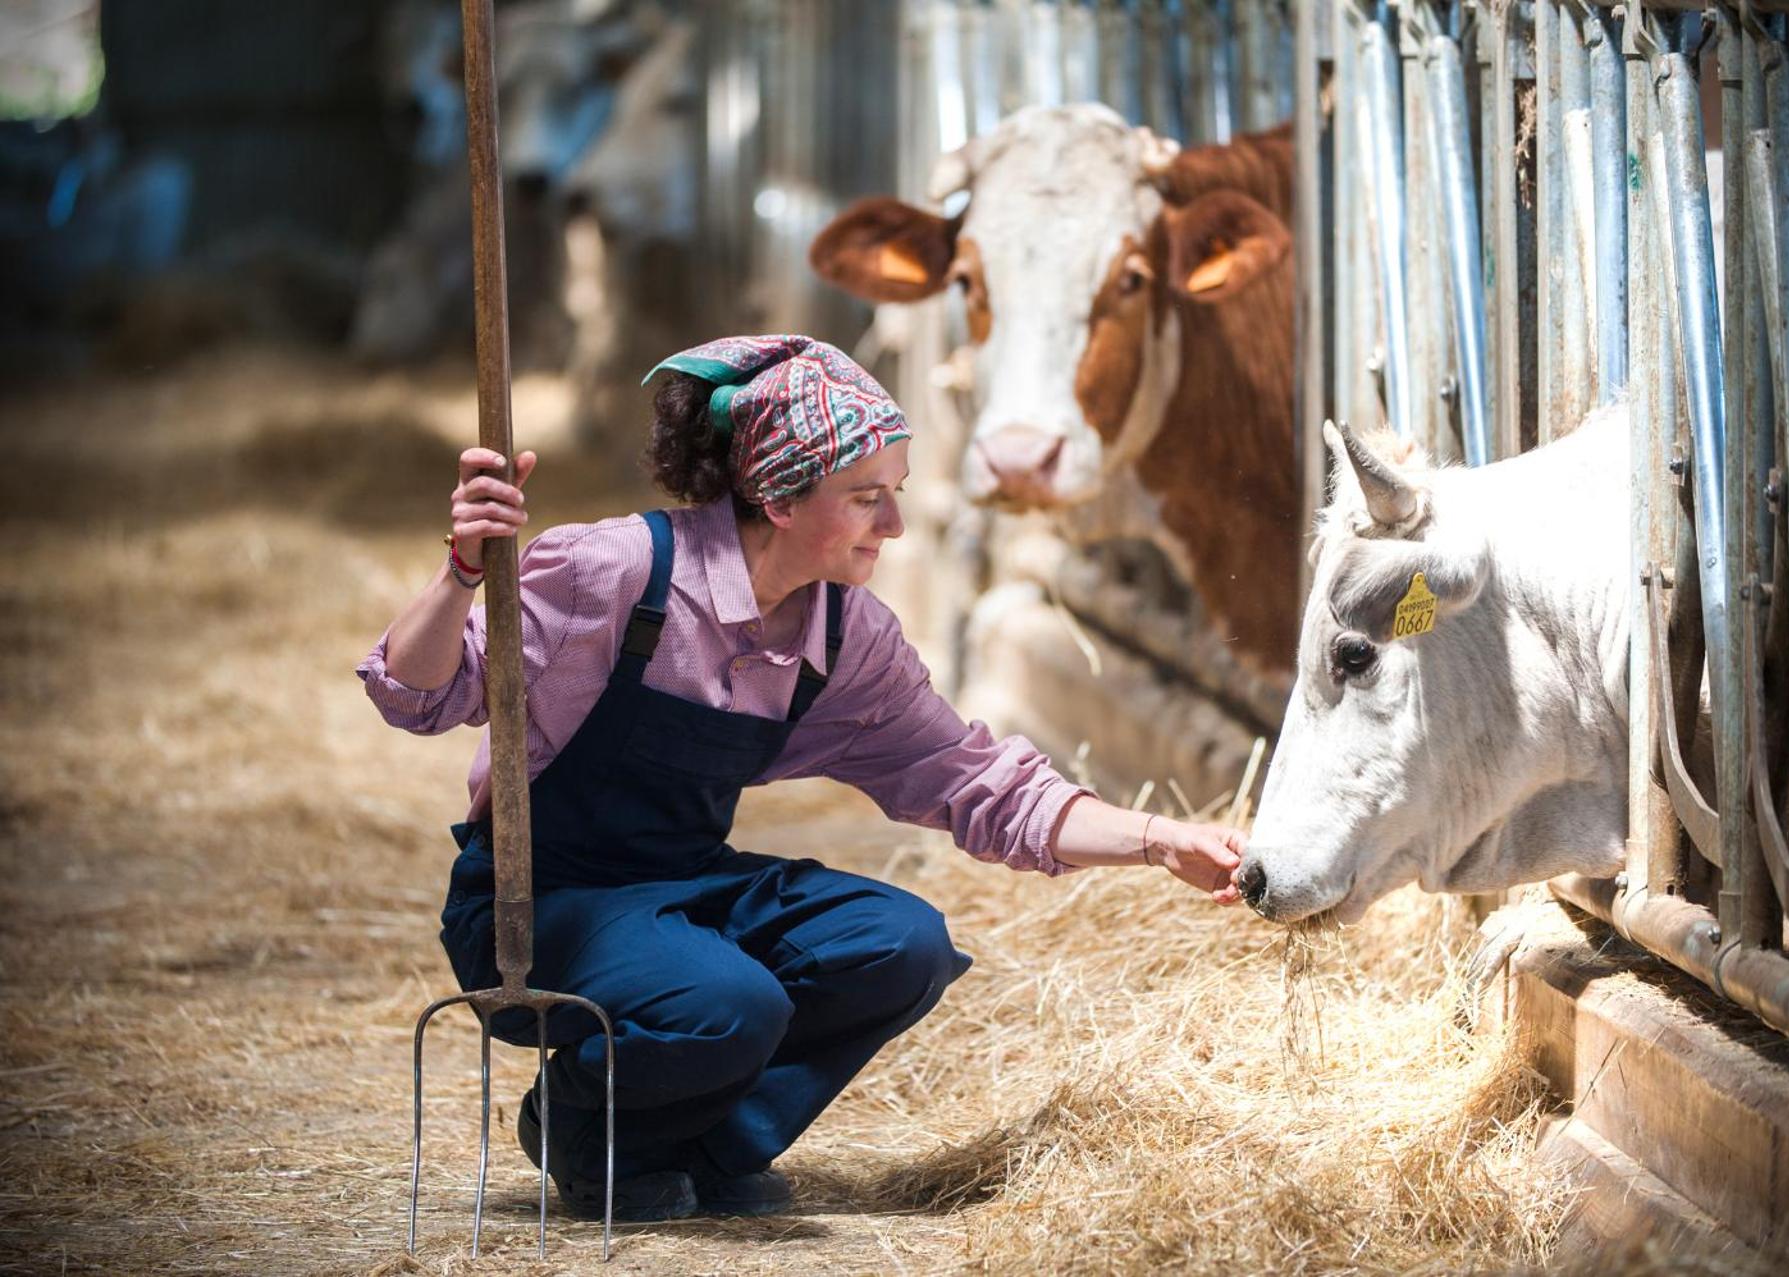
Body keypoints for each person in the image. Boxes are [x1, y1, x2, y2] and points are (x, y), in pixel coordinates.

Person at [358, 334, 1244, 1222]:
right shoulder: (616, 574)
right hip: (534, 902)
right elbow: (420, 694)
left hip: (681, 887)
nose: (894, 526)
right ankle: (581, 1127)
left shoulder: (843, 637)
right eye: (867, 498)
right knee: (728, 1001)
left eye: (894, 493)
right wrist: (463, 570)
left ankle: (698, 1145)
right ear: (778, 497)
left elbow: (982, 783)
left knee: (902, 943)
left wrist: (1157, 839)